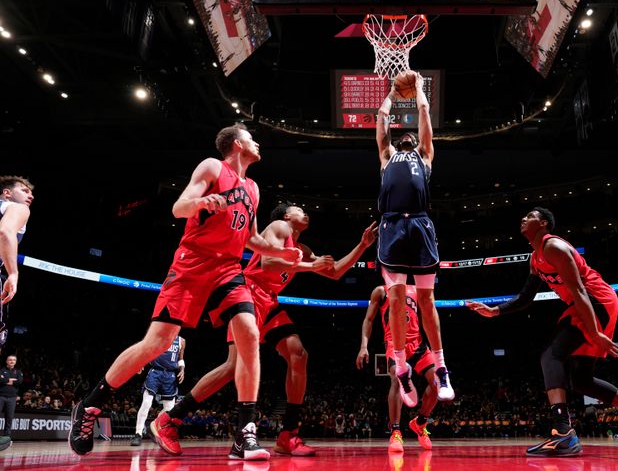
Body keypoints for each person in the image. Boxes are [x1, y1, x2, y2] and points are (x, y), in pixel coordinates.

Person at [68, 124, 302, 460]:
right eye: (252, 138)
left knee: (250, 334)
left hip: (228, 270)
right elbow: (179, 208)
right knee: (158, 342)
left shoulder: (253, 187)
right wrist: (201, 202)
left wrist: (281, 254)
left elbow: (251, 239)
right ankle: (91, 405)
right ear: (237, 144)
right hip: (193, 265)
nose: (258, 142)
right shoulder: (212, 167)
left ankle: (244, 436)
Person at [150, 203, 377, 458]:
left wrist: (363, 246)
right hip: (247, 294)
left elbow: (334, 272)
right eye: (299, 209)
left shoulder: (303, 249)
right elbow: (269, 263)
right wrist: (310, 267)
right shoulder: (279, 227)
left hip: (269, 301)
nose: (305, 212)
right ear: (286, 216)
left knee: (298, 355)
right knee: (234, 366)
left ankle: (288, 434)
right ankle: (169, 419)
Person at [467, 207, 618, 457]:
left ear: (544, 223)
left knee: (551, 355)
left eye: (530, 215)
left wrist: (596, 333)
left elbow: (579, 290)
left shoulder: (554, 247)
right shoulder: (535, 258)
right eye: (522, 215)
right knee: (580, 380)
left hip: (595, 301)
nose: (523, 218)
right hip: (583, 306)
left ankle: (563, 432)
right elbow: (526, 297)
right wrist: (495, 311)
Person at [375, 71, 453, 408]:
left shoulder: (425, 155)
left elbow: (424, 119)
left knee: (426, 300)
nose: (406, 138)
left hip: (420, 226)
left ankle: (441, 367)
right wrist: (391, 95)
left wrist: (420, 92)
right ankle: (402, 366)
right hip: (392, 225)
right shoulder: (385, 156)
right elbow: (381, 122)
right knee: (394, 299)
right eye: (400, 137)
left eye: (410, 137)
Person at [357, 285, 439, 453]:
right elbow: (369, 320)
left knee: (438, 382)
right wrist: (364, 346)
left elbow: (429, 317)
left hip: (418, 344)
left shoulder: (417, 289)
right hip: (395, 344)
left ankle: (420, 423)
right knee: (396, 378)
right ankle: (395, 432)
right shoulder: (380, 291)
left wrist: (437, 349)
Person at [131, 334, 185, 446]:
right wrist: (141, 362)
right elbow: (147, 350)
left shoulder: (181, 341)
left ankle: (153, 426)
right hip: (155, 372)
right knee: (146, 403)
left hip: (170, 375)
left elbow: (180, 359)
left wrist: (182, 369)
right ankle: (138, 434)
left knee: (169, 409)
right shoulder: (159, 335)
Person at [0, 176, 35, 343]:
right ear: (7, 193)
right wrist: (13, 273)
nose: (31, 196)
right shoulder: (18, 208)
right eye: (24, 190)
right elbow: (5, 231)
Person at [0, 354, 22, 451]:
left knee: (9, 418)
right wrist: (11, 380)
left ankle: (7, 437)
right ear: (7, 361)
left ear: (15, 362)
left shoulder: (18, 372)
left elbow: (20, 381)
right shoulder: (1, 370)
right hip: (1, 396)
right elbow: (0, 380)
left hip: (12, 398)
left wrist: (6, 380)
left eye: (13, 360)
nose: (12, 361)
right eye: (10, 360)